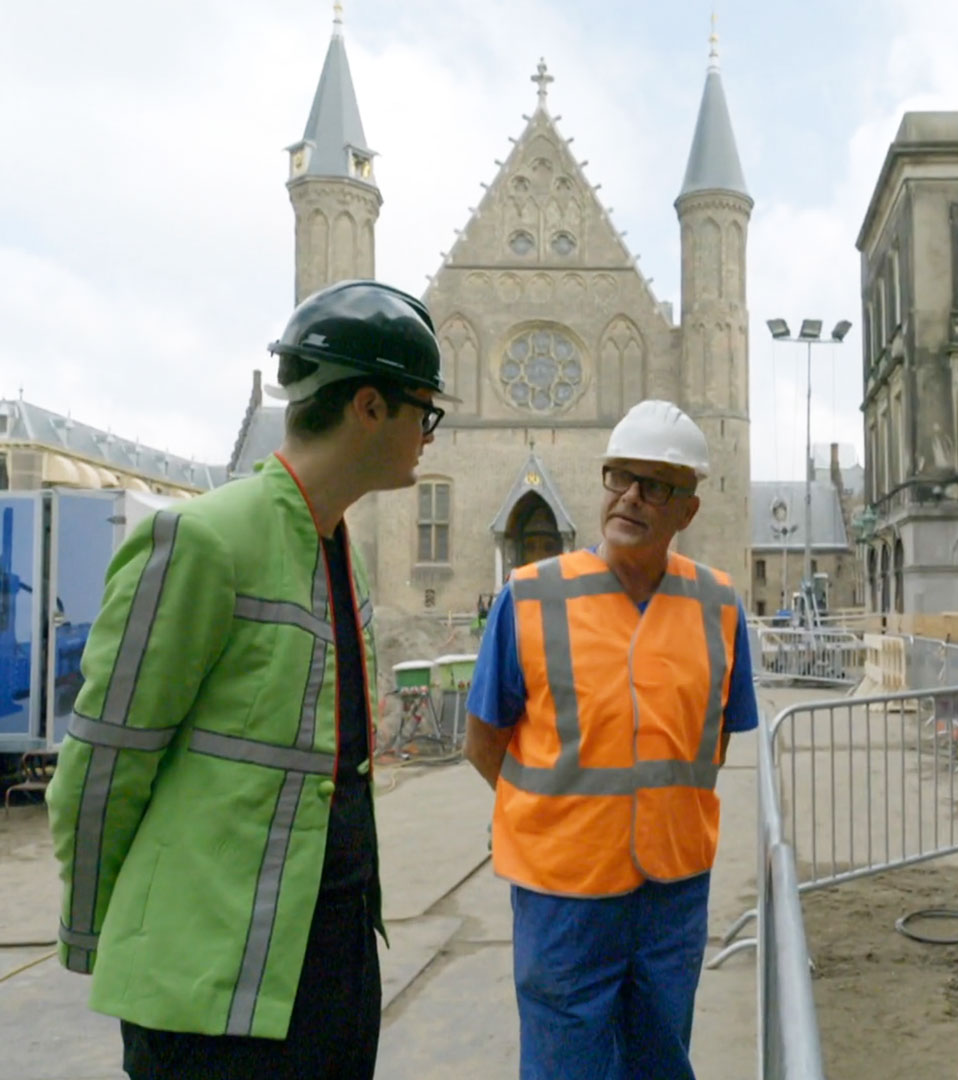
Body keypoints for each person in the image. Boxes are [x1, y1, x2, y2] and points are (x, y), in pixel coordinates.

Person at [46, 280, 454, 1080]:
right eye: (423, 413)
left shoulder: (343, 555)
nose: (428, 438)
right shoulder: (202, 540)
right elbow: (103, 763)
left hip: (329, 969)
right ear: (369, 407)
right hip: (208, 993)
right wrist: (104, 935)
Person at [463, 399, 759, 1080]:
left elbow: (711, 742)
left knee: (660, 1058)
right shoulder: (530, 597)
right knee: (567, 1065)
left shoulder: (718, 605)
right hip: (562, 894)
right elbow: (483, 741)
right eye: (618, 477)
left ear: (687, 509)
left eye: (655, 485)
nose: (630, 497)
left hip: (672, 893)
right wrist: (550, 813)